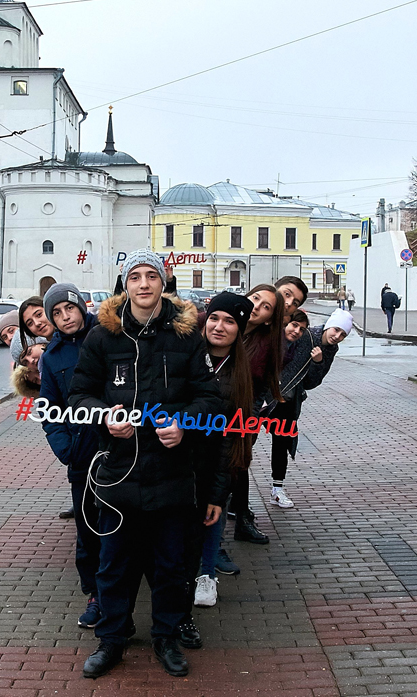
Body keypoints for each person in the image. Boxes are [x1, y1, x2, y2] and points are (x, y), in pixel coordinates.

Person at [69, 249, 222, 679]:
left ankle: (166, 637)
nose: (143, 284)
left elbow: (209, 399)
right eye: (134, 276)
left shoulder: (185, 335)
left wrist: (185, 426)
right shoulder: (103, 336)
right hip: (118, 473)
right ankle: (112, 639)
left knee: (171, 566)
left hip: (172, 474)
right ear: (125, 284)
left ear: (163, 281)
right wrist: (104, 415)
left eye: (150, 275)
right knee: (114, 565)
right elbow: (79, 394)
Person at [37, 282, 102, 629]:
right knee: (87, 526)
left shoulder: (107, 335)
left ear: (81, 307)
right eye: (57, 314)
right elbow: (49, 408)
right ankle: (95, 595)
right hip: (80, 454)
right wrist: (65, 448)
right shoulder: (52, 356)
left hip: (117, 446)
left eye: (69, 309)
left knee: (123, 524)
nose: (65, 318)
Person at [190, 292, 253, 613]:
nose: (219, 326)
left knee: (212, 517)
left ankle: (206, 574)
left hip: (217, 462)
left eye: (230, 321)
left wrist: (218, 492)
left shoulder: (241, 376)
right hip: (179, 460)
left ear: (240, 329)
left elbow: (232, 439)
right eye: (214, 318)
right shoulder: (187, 356)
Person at [268, 309, 349, 508]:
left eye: (343, 335)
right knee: (244, 440)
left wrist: (318, 362)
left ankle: (277, 490)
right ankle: (235, 494)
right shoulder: (305, 334)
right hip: (265, 396)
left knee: (281, 444)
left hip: (287, 402)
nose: (336, 336)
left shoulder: (329, 350)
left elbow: (313, 382)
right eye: (336, 330)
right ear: (329, 325)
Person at [228, 284, 284, 546]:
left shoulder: (266, 346)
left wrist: (247, 425)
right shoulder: (221, 322)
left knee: (238, 467)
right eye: (255, 299)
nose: (257, 307)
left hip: (239, 417)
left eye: (266, 307)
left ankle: (242, 521)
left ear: (269, 318)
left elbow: (262, 389)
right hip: (204, 414)